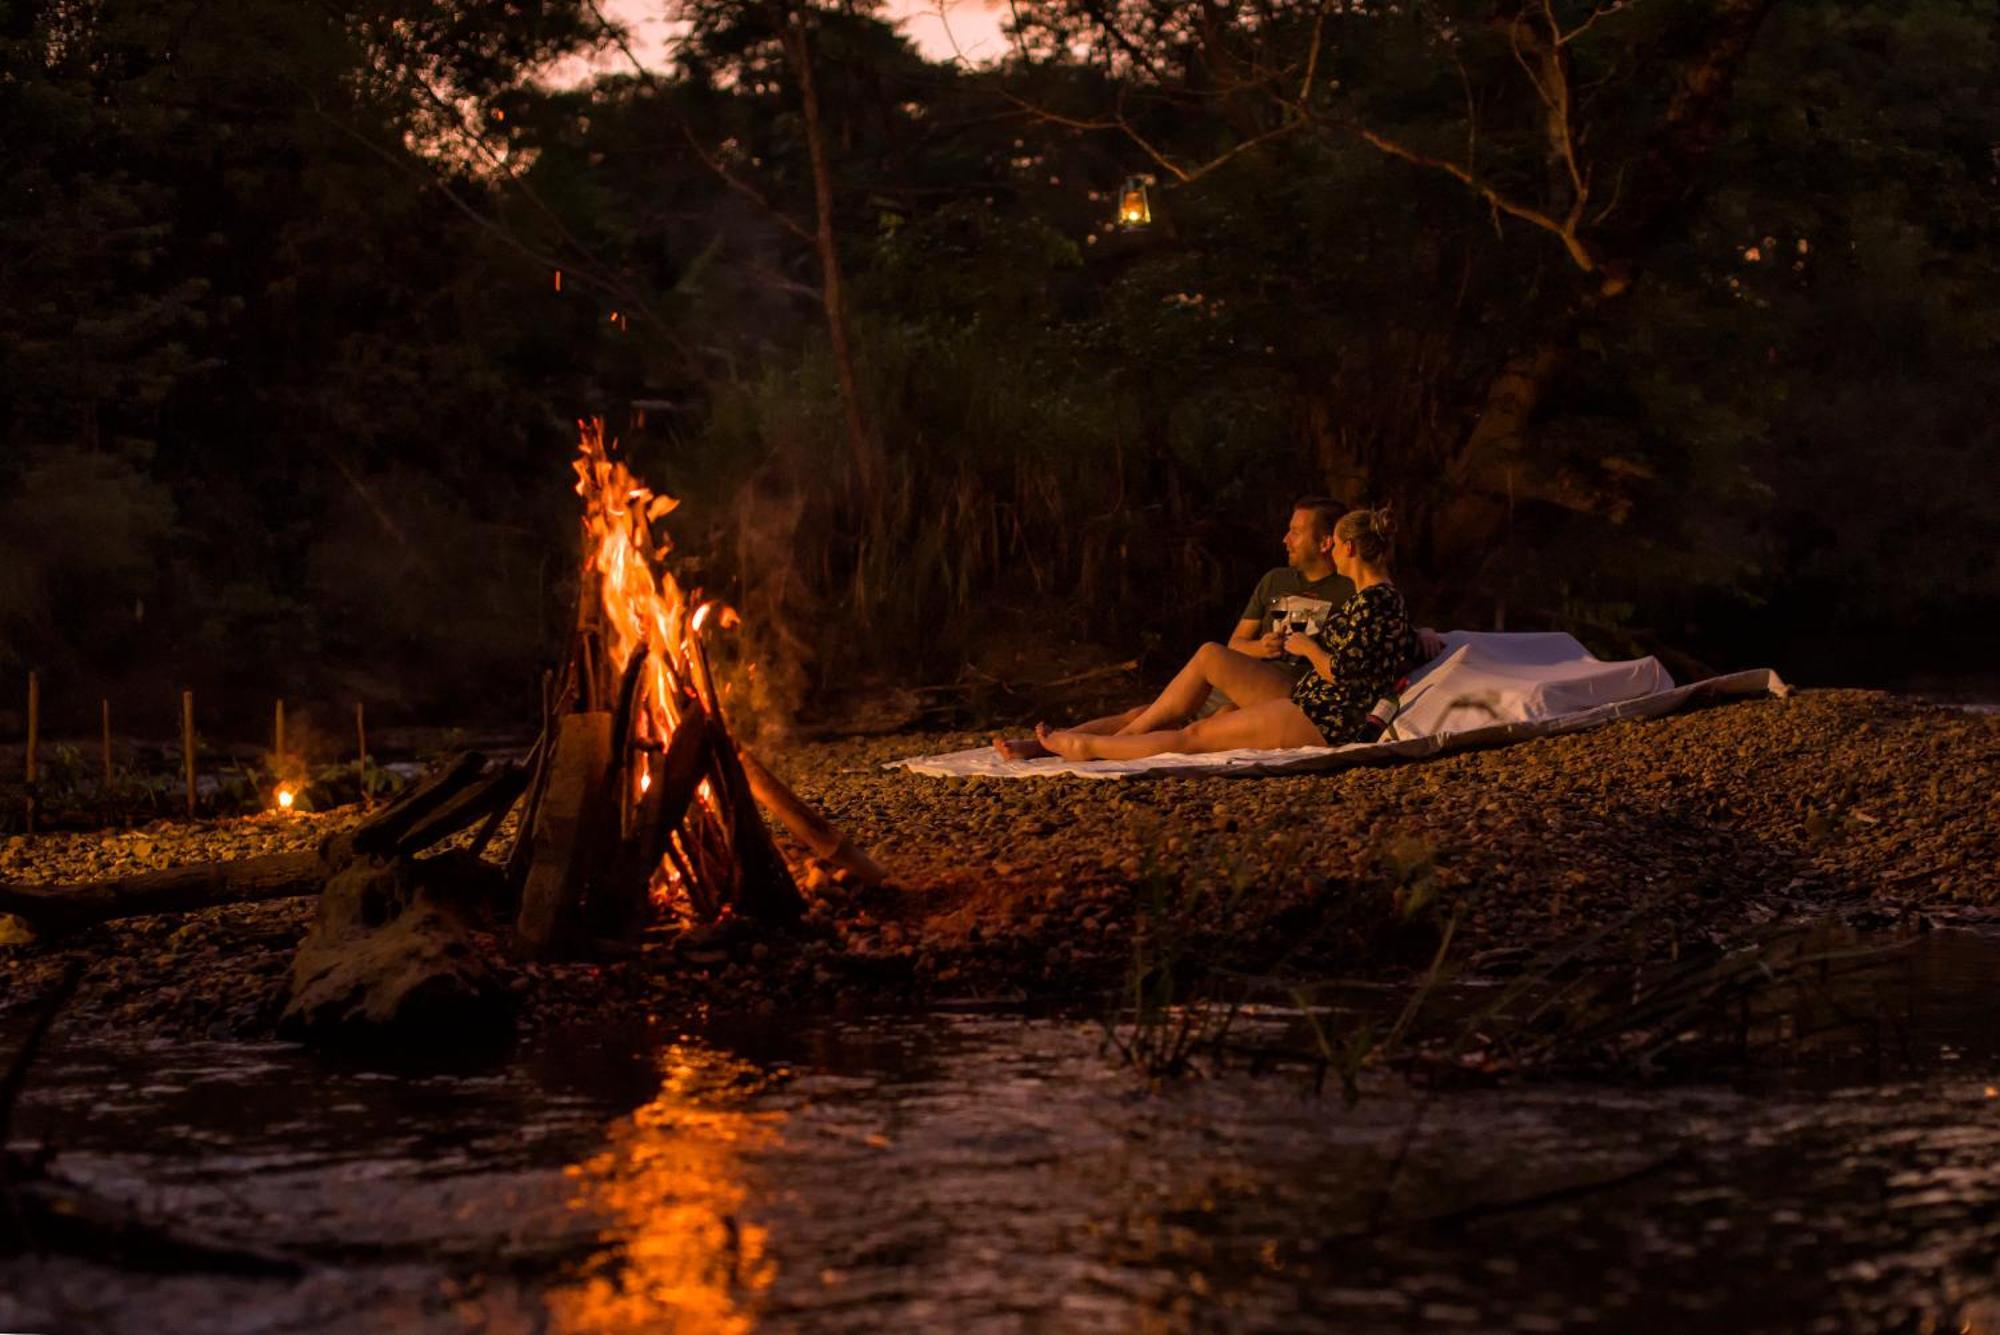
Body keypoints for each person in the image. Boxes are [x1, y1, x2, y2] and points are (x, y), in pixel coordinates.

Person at [992, 496, 1361, 760]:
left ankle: (1107, 746)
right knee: (1147, 713)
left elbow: (1363, 652)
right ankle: (1043, 747)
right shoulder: (1275, 580)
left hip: (1289, 690)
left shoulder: (1349, 589)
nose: (1286, 539)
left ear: (1326, 542)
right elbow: (1238, 643)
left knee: (1209, 656)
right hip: (1247, 680)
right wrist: (1261, 648)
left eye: (1296, 532)